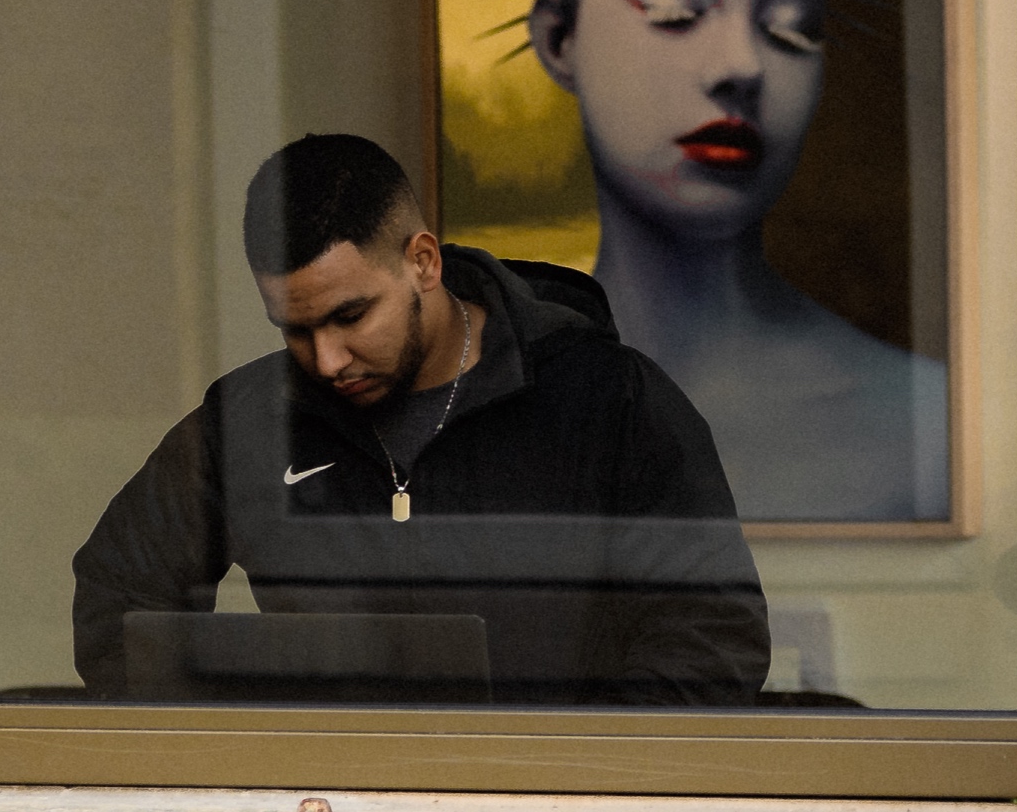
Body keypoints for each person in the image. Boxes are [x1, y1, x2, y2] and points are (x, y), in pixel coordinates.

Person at [70, 132, 767, 705]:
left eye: (351, 315)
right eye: (294, 328)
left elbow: (713, 638)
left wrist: (562, 767)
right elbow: (120, 593)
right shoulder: (250, 419)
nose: (327, 357)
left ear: (423, 262)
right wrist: (239, 752)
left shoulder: (608, 398)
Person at [525, 0, 949, 523]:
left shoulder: (924, 422)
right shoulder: (475, 411)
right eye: (673, 6)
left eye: (794, 23)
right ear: (559, 37)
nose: (741, 64)